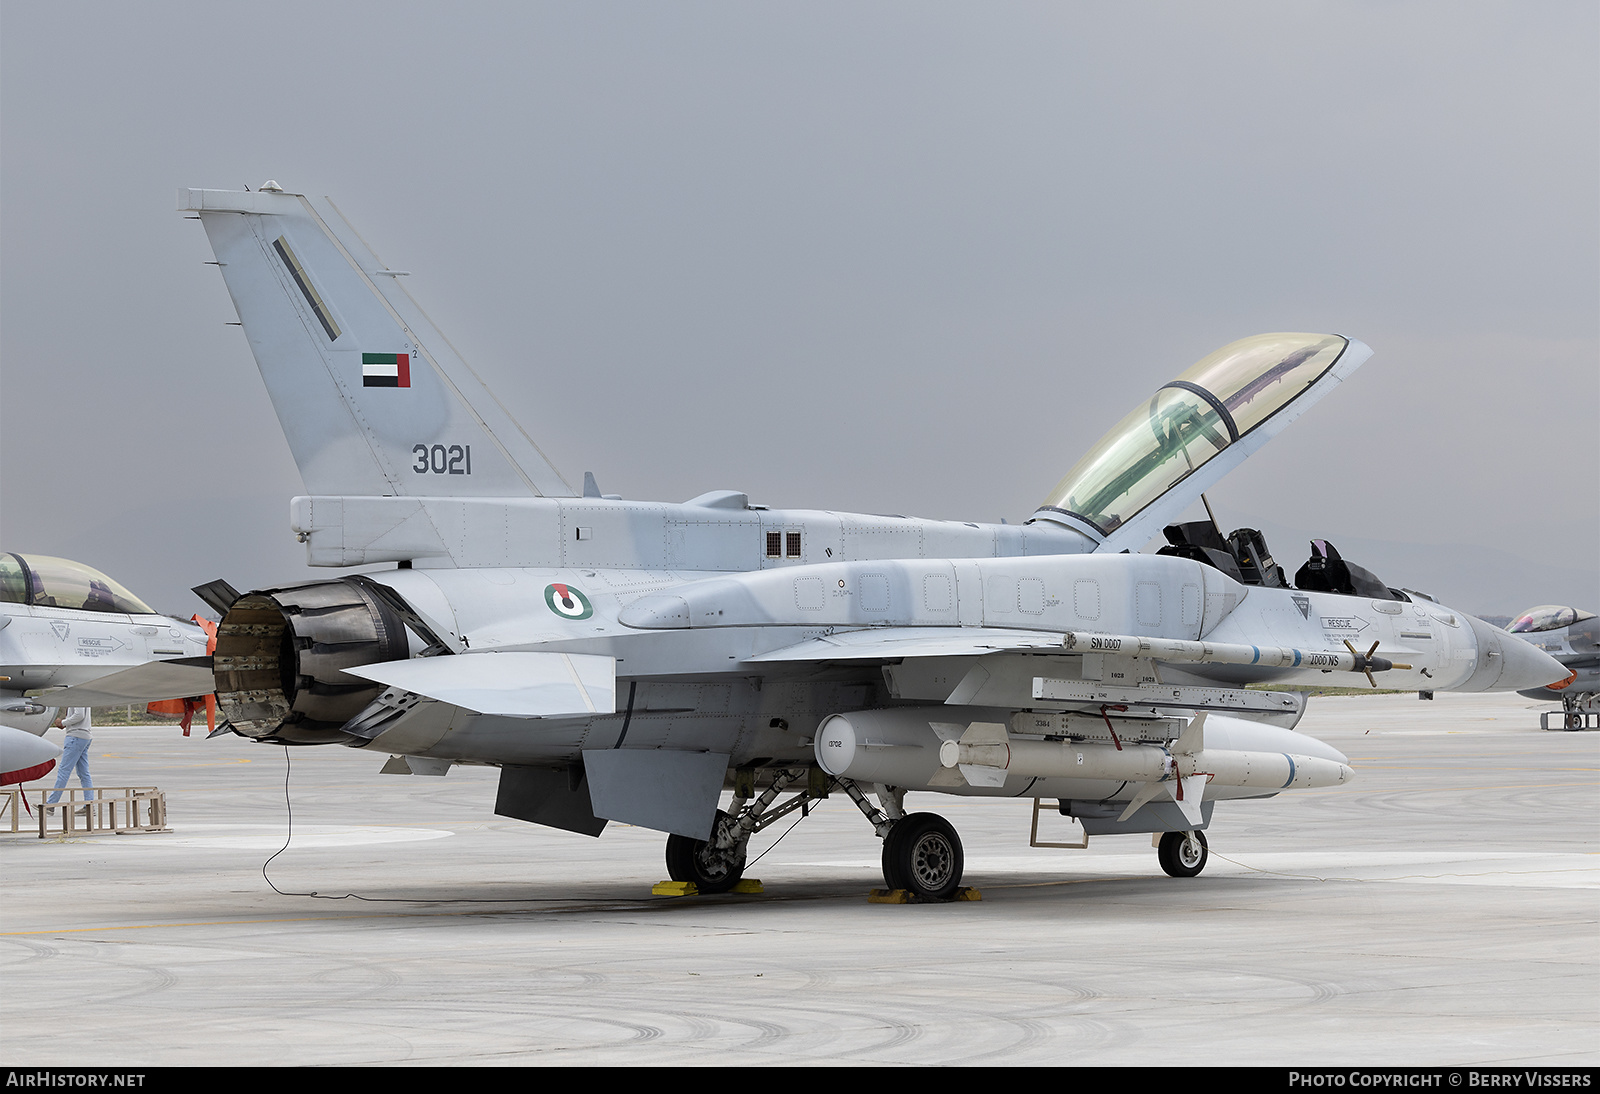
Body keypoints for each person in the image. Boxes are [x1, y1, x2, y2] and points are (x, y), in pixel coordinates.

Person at [46, 707, 94, 810]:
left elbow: (79, 715)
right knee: (83, 773)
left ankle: (51, 804)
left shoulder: (76, 695)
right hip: (84, 735)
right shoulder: (82, 693)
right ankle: (89, 805)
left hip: (76, 736)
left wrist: (63, 722)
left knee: (64, 771)